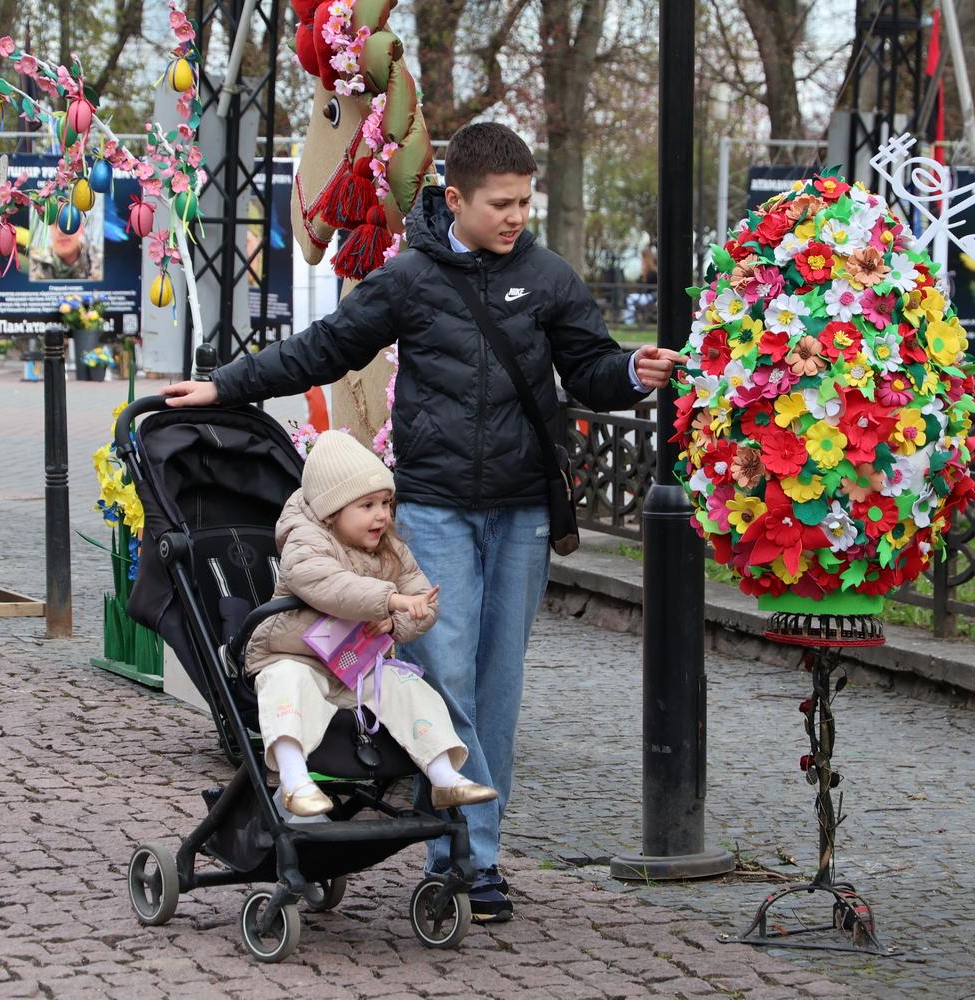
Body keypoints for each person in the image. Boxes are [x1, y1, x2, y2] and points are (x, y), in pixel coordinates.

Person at [163, 122, 681, 921]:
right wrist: (226, 385)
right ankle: (468, 857)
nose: (516, 216)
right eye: (501, 203)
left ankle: (473, 854)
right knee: (446, 679)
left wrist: (631, 372)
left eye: (525, 201)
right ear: (456, 200)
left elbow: (591, 368)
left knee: (498, 685)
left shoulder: (547, 276)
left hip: (521, 513)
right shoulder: (409, 278)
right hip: (435, 512)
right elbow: (325, 348)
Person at [247, 429, 497, 818]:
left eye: (385, 503)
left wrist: (397, 622)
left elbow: (424, 599)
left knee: (408, 686)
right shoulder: (305, 541)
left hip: (355, 668)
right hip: (295, 657)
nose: (381, 514)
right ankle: (295, 780)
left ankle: (443, 775)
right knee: (287, 683)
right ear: (332, 511)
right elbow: (329, 585)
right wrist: (389, 600)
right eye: (367, 505)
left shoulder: (389, 546)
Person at [30, 216, 101, 281]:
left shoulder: (102, 263)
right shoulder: (33, 264)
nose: (61, 231)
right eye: (55, 224)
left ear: (81, 229)